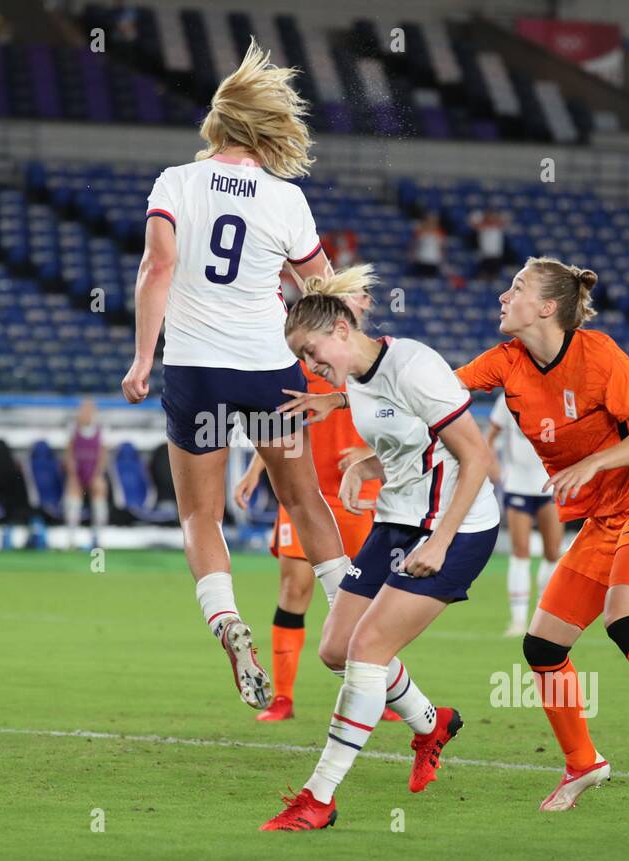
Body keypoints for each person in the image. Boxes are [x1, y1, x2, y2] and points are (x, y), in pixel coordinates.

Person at [277, 256, 629, 811]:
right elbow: (432, 391)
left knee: (624, 616)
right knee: (542, 645)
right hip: (604, 519)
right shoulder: (507, 362)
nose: (502, 297)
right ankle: (584, 764)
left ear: (547, 307)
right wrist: (340, 400)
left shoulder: (600, 355)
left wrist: (593, 464)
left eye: (516, 288)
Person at [121, 39, 352, 711]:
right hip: (267, 372)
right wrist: (337, 371)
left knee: (199, 512)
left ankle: (226, 621)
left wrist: (142, 358)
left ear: (216, 126)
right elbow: (322, 290)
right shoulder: (286, 200)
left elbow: (156, 270)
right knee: (304, 501)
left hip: (195, 371)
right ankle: (347, 610)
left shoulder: (174, 184)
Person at [260, 267, 499, 831]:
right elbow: (394, 417)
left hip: (455, 529)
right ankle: (431, 723)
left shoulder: (415, 365)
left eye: (311, 351)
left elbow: (477, 457)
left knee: (367, 650)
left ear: (342, 329)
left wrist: (441, 542)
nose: (308, 365)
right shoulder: (361, 375)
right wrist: (339, 411)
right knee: (337, 648)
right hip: (398, 520)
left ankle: (318, 798)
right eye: (300, 356)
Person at [233, 290, 384, 723]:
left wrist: (368, 455)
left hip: (358, 496)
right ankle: (282, 697)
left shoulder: (375, 363)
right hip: (303, 496)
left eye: (360, 297)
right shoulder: (303, 362)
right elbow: (283, 419)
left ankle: (385, 690)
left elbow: (401, 418)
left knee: (368, 599)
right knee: (294, 590)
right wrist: (255, 471)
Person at [485, 396, 562, 637]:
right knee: (520, 552)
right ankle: (518, 621)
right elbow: (489, 437)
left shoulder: (557, 397)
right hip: (517, 485)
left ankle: (543, 615)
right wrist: (494, 469)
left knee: (553, 553)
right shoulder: (506, 400)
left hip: (550, 485)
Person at [63, 398, 109, 550]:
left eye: (89, 410)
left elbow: (103, 456)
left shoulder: (101, 430)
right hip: (77, 471)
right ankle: (71, 540)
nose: (86, 413)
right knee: (72, 497)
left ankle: (98, 538)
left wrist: (97, 475)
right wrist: (73, 476)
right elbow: (69, 455)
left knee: (100, 490)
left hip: (93, 471)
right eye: (84, 410)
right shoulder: (73, 429)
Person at [468, 208, 509, 280]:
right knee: (484, 275)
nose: (490, 219)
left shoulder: (498, 227)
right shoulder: (482, 227)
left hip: (496, 255)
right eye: (488, 217)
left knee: (495, 276)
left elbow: (506, 220)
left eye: (492, 217)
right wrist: (479, 216)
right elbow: (472, 223)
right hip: (485, 255)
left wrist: (496, 217)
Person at [408, 211, 446, 278]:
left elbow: (442, 247)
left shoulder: (440, 232)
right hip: (421, 258)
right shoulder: (420, 231)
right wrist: (412, 254)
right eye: (430, 220)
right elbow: (414, 244)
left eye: (434, 221)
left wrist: (443, 259)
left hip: (434, 259)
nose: (432, 223)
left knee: (431, 279)